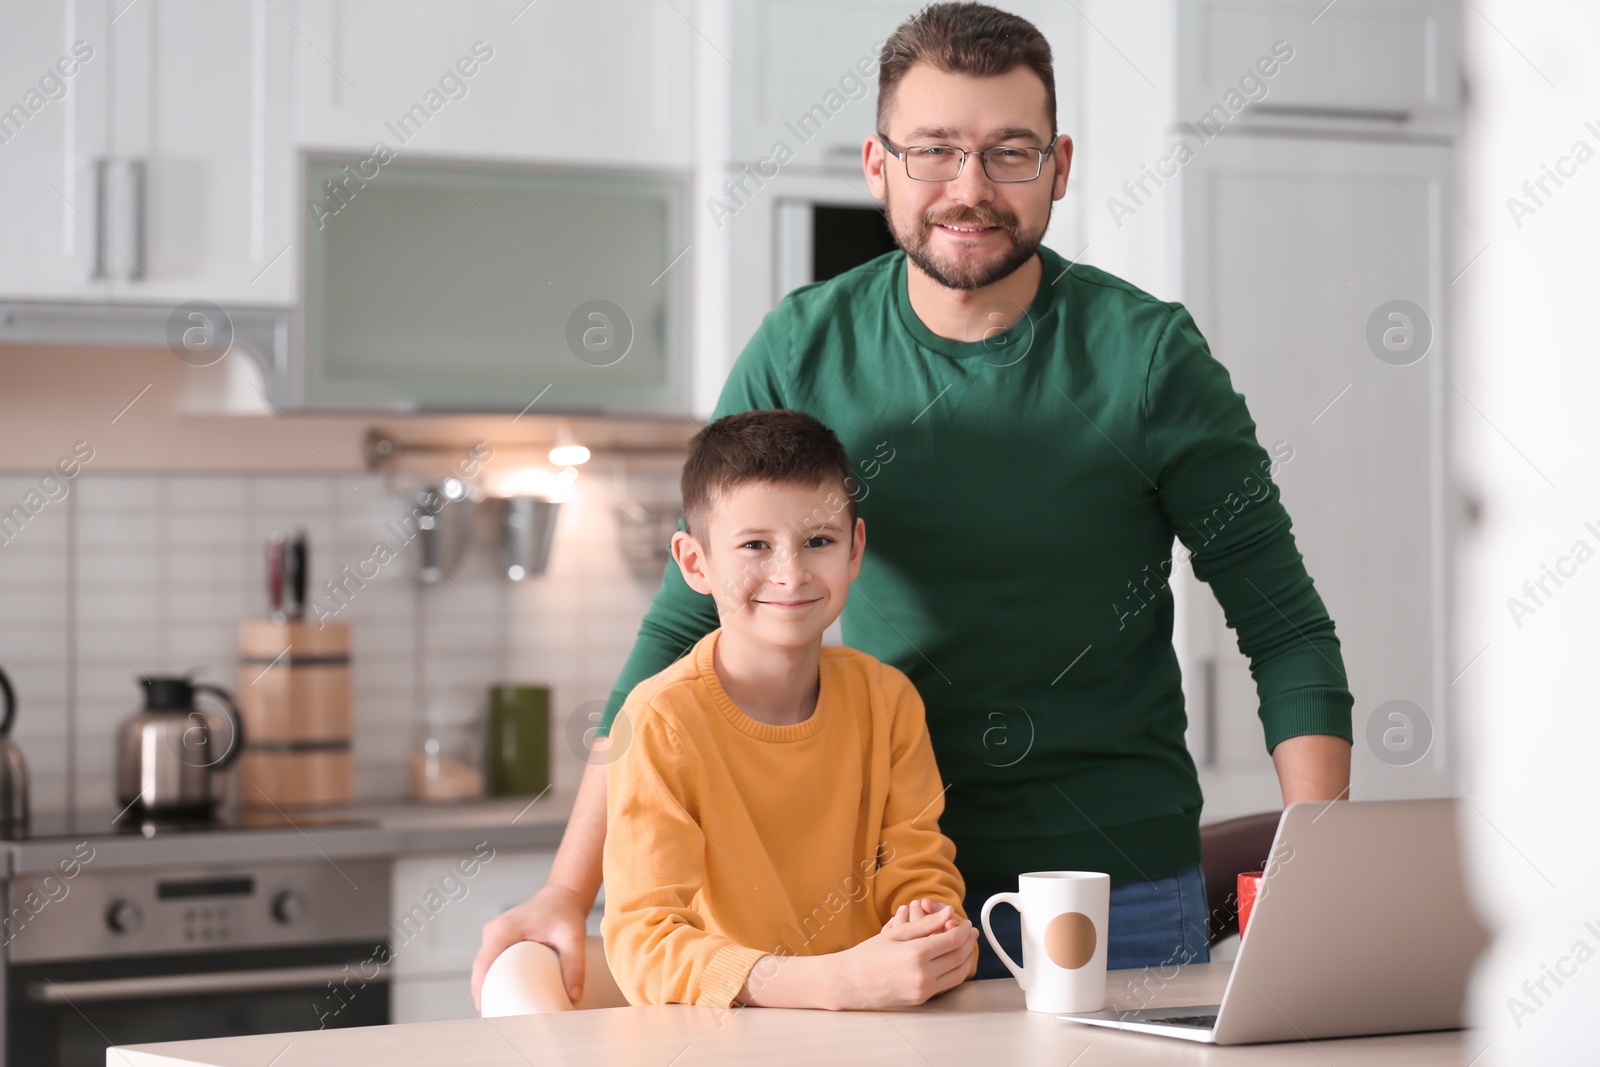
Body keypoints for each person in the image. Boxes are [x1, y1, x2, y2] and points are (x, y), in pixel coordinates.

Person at [473, 1, 1353, 1009]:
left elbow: (1283, 627)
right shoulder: (803, 348)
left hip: (1113, 894)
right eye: (932, 151)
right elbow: (682, 628)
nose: (968, 190)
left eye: (1008, 153)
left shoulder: (1150, 359)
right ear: (876, 164)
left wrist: (1315, 885)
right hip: (866, 905)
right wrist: (566, 886)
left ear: (1059, 166)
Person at [599, 409, 979, 1009]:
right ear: (695, 563)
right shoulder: (660, 721)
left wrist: (930, 927)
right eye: (755, 545)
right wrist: (836, 982)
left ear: (854, 550)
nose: (791, 573)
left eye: (818, 541)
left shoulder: (889, 701)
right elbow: (643, 944)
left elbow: (918, 869)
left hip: (873, 1038)